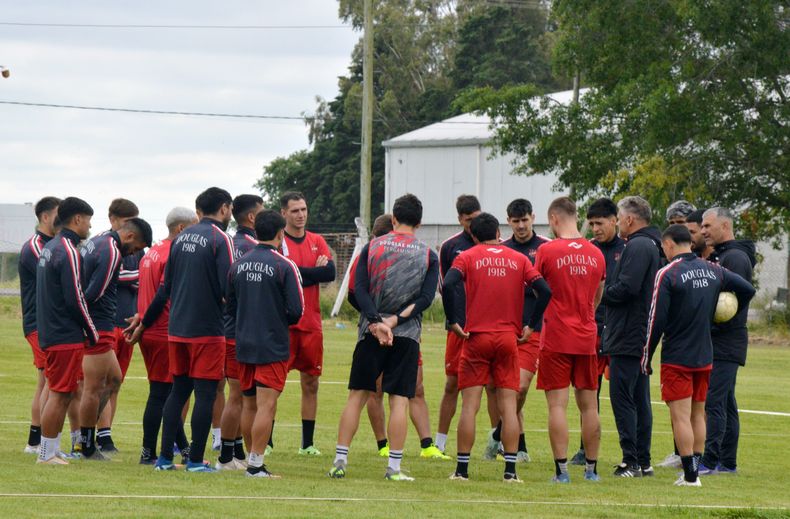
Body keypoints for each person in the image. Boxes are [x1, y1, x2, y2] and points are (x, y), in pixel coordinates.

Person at [327, 194, 439, 481]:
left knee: (357, 397)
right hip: (406, 335)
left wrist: (377, 322)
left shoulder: (372, 247)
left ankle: (340, 460)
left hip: (371, 332)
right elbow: (426, 298)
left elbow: (359, 290)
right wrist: (395, 320)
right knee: (399, 401)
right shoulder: (428, 254)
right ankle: (394, 468)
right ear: (420, 223)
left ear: (393, 219)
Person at [131, 187, 234, 472]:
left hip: (176, 329)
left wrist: (144, 322)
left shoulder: (180, 239)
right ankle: (196, 460)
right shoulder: (220, 238)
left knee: (177, 391)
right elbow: (229, 286)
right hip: (207, 330)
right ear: (224, 209)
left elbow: (165, 290)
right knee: (205, 393)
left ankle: (164, 458)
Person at [643, 224, 755, 486]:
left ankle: (691, 476)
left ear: (669, 245)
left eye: (664, 248)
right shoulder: (713, 268)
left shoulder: (667, 273)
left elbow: (655, 321)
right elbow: (747, 290)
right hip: (706, 354)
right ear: (689, 244)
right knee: (697, 414)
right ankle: (695, 470)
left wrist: (645, 357)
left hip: (677, 356)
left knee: (680, 416)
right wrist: (722, 317)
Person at [443, 213, 551, 482]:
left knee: (470, 406)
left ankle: (462, 471)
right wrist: (531, 325)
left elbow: (448, 284)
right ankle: (510, 472)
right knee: (508, 405)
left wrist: (454, 320)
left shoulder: (467, 256)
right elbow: (545, 290)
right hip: (508, 339)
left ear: (475, 236)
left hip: (476, 337)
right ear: (499, 232)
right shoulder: (519, 258)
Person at [355, 214, 449, 460]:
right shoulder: (371, 253)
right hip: (377, 331)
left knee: (414, 388)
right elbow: (356, 294)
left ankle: (427, 445)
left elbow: (424, 296)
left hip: (405, 333)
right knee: (375, 391)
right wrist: (375, 319)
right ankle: (383, 444)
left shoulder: (419, 256)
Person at [227, 210, 305, 478]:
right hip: (272, 343)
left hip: (244, 342)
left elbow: (231, 304)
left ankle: (253, 461)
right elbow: (297, 310)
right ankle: (256, 465)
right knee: (266, 406)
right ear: (281, 233)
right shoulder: (284, 265)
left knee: (248, 404)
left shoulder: (238, 265)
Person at [534, 197, 606, 484]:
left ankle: (562, 471)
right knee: (589, 406)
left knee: (557, 406)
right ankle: (591, 470)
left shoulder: (547, 251)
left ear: (553, 219)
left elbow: (538, 292)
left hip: (555, 336)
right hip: (587, 336)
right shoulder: (596, 254)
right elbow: (597, 296)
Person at [80, 216, 152, 460]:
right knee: (93, 387)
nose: (134, 252)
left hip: (98, 325)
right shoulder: (112, 251)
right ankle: (86, 445)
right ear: (130, 236)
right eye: (137, 248)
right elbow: (93, 293)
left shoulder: (97, 241)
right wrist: (84, 323)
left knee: (114, 380)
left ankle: (88, 438)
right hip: (98, 325)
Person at [601, 196, 662, 477]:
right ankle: (643, 460)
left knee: (624, 396)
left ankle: (632, 461)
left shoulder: (638, 245)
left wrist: (601, 294)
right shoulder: (650, 243)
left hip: (629, 332)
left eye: (619, 216)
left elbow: (628, 287)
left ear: (628, 219)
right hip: (638, 332)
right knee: (638, 398)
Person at [35, 197, 99, 464]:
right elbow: (76, 297)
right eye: (88, 221)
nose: (90, 226)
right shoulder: (68, 250)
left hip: (51, 331)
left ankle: (52, 448)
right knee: (60, 394)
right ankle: (46, 454)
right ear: (77, 220)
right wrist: (91, 330)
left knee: (60, 391)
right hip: (64, 334)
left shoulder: (50, 247)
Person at [489, 198, 551, 463]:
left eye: (525, 220)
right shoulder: (503, 249)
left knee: (520, 387)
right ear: (508, 221)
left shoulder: (546, 247)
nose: (522, 225)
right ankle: (517, 445)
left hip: (535, 328)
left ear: (533, 217)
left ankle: (498, 435)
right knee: (502, 387)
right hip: (505, 328)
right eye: (516, 221)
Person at [135, 207, 197, 465]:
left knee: (165, 392)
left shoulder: (151, 253)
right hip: (162, 330)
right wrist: (146, 322)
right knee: (163, 394)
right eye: (193, 227)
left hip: (150, 330)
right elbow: (162, 296)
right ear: (181, 229)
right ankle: (149, 452)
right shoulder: (173, 252)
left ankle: (181, 449)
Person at [699, 207, 756, 475]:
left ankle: (709, 462)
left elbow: (731, 304)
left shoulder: (735, 258)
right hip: (721, 341)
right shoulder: (723, 255)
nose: (703, 231)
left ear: (725, 226)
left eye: (708, 226)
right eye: (702, 226)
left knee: (715, 402)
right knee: (727, 403)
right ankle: (728, 463)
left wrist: (711, 322)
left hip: (726, 341)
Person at [280, 192, 336, 456]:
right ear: (284, 214)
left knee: (310, 383)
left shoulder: (317, 240)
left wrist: (299, 273)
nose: (300, 215)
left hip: (311, 323)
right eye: (294, 211)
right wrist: (310, 272)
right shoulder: (279, 242)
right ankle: (266, 442)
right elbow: (283, 273)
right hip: (283, 324)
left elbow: (330, 272)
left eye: (303, 209)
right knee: (273, 385)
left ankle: (307, 444)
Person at [570, 198, 625, 465]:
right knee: (588, 391)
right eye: (590, 224)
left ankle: (634, 455)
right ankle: (585, 449)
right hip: (590, 330)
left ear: (615, 220)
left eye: (599, 223)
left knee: (624, 394)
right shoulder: (588, 250)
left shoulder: (628, 249)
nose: (595, 228)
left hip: (620, 331)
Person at [216, 194, 264, 470]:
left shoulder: (230, 243)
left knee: (232, 393)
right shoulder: (254, 248)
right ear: (252, 217)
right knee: (242, 397)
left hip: (225, 329)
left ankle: (231, 452)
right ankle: (230, 457)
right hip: (243, 332)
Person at [435, 195, 483, 456]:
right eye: (468, 221)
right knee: (452, 383)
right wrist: (454, 319)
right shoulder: (450, 246)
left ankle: (496, 443)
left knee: (494, 387)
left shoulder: (491, 239)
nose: (472, 225)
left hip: (488, 326)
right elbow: (444, 287)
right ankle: (440, 443)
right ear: (460, 219)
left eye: (476, 219)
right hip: (459, 326)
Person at [98, 198, 142, 453]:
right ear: (112, 220)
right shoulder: (106, 244)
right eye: (127, 222)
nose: (130, 228)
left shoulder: (138, 247)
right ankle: (95, 435)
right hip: (109, 322)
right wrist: (146, 275)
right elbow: (114, 277)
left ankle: (106, 433)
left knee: (116, 382)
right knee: (101, 382)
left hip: (127, 325)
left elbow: (135, 280)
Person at [19, 196, 62, 454]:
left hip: (48, 323)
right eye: (59, 214)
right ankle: (37, 442)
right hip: (40, 323)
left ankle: (37, 440)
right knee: (50, 380)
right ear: (45, 217)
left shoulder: (53, 244)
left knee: (45, 381)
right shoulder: (37, 247)